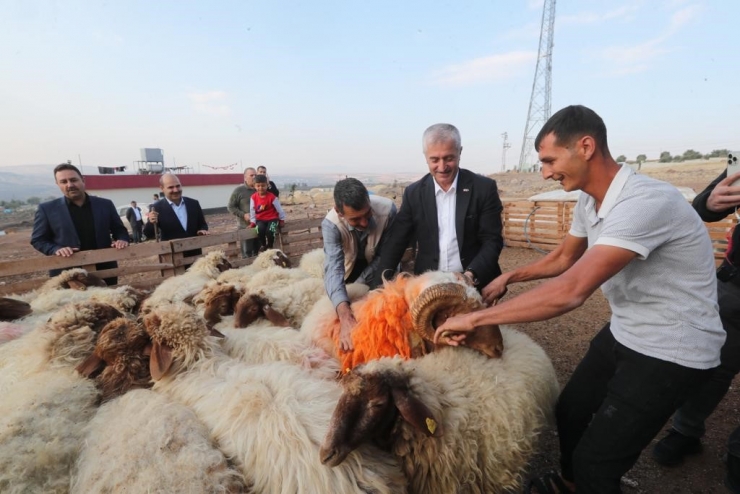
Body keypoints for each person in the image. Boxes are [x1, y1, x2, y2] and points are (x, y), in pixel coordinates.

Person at [433, 105, 725, 494]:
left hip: (672, 345)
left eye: (550, 160)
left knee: (597, 465)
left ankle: (586, 480)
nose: (546, 172)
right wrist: (509, 276)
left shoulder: (643, 202)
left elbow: (572, 290)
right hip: (628, 329)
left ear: (586, 146)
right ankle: (571, 485)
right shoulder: (590, 200)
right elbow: (564, 258)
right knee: (569, 411)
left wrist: (475, 320)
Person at [651, 166, 740, 483]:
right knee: (712, 366)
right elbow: (703, 205)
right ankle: (685, 431)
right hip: (734, 289)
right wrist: (711, 202)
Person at [374, 123, 504, 289]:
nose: (442, 167)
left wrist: (470, 275)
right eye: (434, 160)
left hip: (475, 282)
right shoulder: (414, 194)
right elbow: (396, 242)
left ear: (460, 152)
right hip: (429, 285)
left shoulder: (483, 188)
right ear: (425, 156)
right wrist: (376, 288)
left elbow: (492, 240)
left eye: (449, 158)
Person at [322, 178, 397, 350]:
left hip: (382, 270)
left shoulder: (388, 211)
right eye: (355, 219)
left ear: (369, 201)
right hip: (350, 269)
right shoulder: (331, 224)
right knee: (348, 310)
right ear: (339, 212)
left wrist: (360, 287)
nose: (364, 223)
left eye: (367, 214)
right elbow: (333, 268)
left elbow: (386, 256)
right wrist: (344, 314)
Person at [31, 162, 129, 285]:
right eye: (64, 182)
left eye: (73, 180)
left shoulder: (105, 205)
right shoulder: (47, 209)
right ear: (58, 184)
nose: (70, 185)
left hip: (104, 270)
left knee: (106, 304)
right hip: (67, 275)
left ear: (83, 180)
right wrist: (56, 249)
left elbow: (120, 230)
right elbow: (38, 240)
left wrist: (122, 239)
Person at [144, 173, 208, 257]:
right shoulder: (156, 208)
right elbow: (148, 234)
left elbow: (202, 224)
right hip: (172, 258)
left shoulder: (193, 204)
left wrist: (202, 230)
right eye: (171, 187)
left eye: (178, 186)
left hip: (194, 255)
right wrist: (151, 222)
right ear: (162, 188)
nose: (176, 190)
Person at [249, 174, 286, 252]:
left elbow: (279, 209)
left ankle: (270, 246)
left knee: (270, 231)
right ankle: (263, 245)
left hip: (272, 218)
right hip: (260, 219)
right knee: (260, 230)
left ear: (267, 185)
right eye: (258, 186)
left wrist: (282, 219)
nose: (260, 188)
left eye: (263, 186)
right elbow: (252, 210)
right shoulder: (253, 197)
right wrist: (253, 222)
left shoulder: (272, 197)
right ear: (254, 186)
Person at [227, 167, 259, 258]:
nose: (254, 177)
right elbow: (230, 207)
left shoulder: (260, 189)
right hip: (245, 227)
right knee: (247, 254)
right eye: (251, 175)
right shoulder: (238, 190)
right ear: (245, 177)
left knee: (259, 253)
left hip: (259, 227)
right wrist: (243, 215)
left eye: (255, 175)